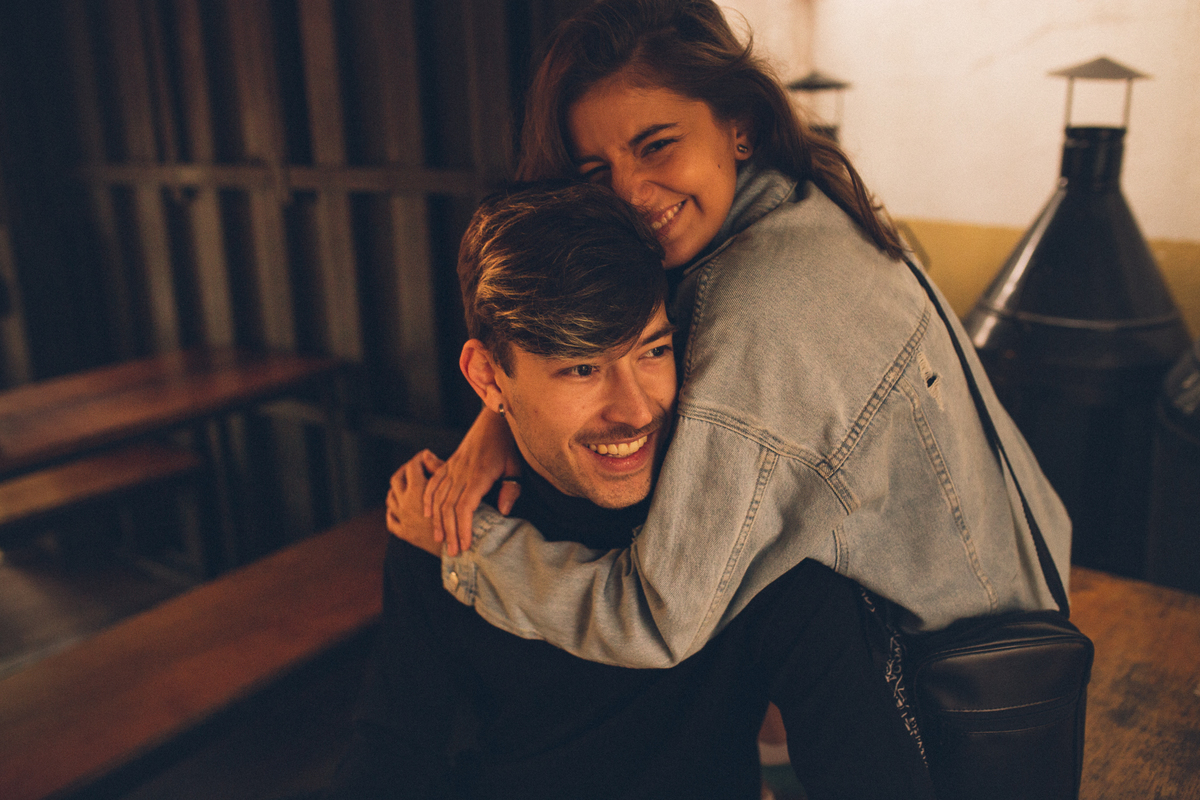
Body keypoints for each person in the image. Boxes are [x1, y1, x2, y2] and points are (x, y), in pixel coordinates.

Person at [398, 0, 1071, 671]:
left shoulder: (760, 311)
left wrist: (469, 545)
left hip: (963, 682)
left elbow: (654, 622)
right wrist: (499, 416)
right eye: (594, 172)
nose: (629, 192)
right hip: (1014, 593)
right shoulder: (802, 207)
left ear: (738, 126)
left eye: (656, 144)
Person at [333, 182, 932, 799]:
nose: (635, 410)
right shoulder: (445, 520)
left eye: (652, 350)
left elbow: (873, 772)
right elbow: (394, 747)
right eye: (581, 368)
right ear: (489, 377)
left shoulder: (747, 521)